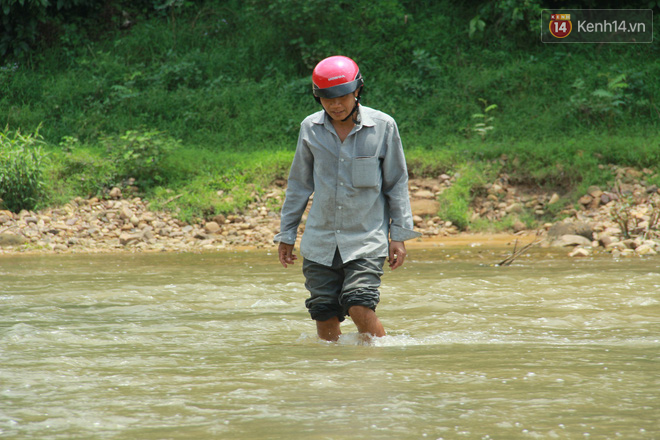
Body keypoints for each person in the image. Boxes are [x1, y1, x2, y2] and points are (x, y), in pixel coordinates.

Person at [273, 55, 420, 342]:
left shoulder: (383, 127)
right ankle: (333, 377)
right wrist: (286, 234)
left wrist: (398, 236)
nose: (335, 105)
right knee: (324, 313)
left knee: (359, 305)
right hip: (320, 242)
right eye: (327, 98)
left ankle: (381, 364)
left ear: (357, 91)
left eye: (342, 96)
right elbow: (299, 185)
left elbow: (396, 184)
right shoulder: (310, 129)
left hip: (365, 240)